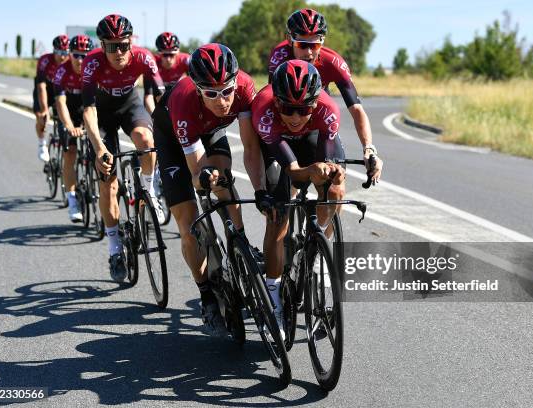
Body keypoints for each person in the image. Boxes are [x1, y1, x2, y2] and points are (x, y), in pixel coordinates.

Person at [153, 43, 264, 335]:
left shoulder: (244, 87)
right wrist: (204, 179)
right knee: (189, 226)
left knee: (224, 181)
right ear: (199, 89)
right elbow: (196, 173)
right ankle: (206, 295)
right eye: (211, 94)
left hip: (210, 130)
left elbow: (251, 147)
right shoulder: (183, 99)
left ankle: (239, 243)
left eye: (226, 91)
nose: (222, 100)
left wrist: (260, 189)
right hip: (174, 139)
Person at [252, 60, 364, 337]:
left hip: (314, 138)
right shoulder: (264, 110)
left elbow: (323, 164)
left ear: (314, 103)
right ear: (277, 102)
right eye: (287, 108)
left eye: (303, 109)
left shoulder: (328, 110)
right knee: (277, 217)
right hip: (279, 146)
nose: (295, 116)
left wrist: (329, 173)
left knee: (335, 189)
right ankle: (273, 296)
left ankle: (318, 250)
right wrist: (310, 172)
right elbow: (293, 172)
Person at [82, 14, 165, 282]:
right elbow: (88, 110)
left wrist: (168, 128)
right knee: (108, 181)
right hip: (102, 115)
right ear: (101, 45)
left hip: (130, 106)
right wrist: (98, 149)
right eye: (111, 46)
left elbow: (160, 97)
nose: (118, 51)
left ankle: (149, 190)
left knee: (146, 140)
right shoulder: (92, 62)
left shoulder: (143, 57)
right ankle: (115, 248)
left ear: (131, 42)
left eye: (123, 45)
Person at [267, 9, 382, 183]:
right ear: (290, 39)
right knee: (282, 196)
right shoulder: (279, 57)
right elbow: (273, 101)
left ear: (323, 41)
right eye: (302, 45)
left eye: (314, 45)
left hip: (317, 118)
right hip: (286, 120)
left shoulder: (333, 63)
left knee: (336, 186)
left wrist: (369, 148)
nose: (309, 53)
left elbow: (357, 109)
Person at [53, 35, 94, 222]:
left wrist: (91, 124)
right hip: (68, 111)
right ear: (69, 55)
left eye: (84, 56)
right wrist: (69, 126)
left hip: (87, 108)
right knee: (70, 152)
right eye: (76, 55)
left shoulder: (94, 70)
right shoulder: (62, 71)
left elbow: (99, 101)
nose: (80, 60)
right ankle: (72, 201)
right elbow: (60, 102)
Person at [34, 35, 70, 162]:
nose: (62, 56)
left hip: (61, 88)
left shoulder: (71, 61)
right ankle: (41, 144)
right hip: (46, 87)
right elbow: (41, 87)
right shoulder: (45, 61)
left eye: (65, 52)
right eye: (59, 52)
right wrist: (44, 109)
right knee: (42, 116)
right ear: (54, 50)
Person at [143, 32, 190, 113]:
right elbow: (148, 96)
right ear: (159, 53)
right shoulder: (152, 62)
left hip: (175, 95)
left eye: (171, 55)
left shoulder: (185, 60)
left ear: (178, 52)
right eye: (165, 55)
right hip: (156, 95)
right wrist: (155, 118)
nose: (168, 59)